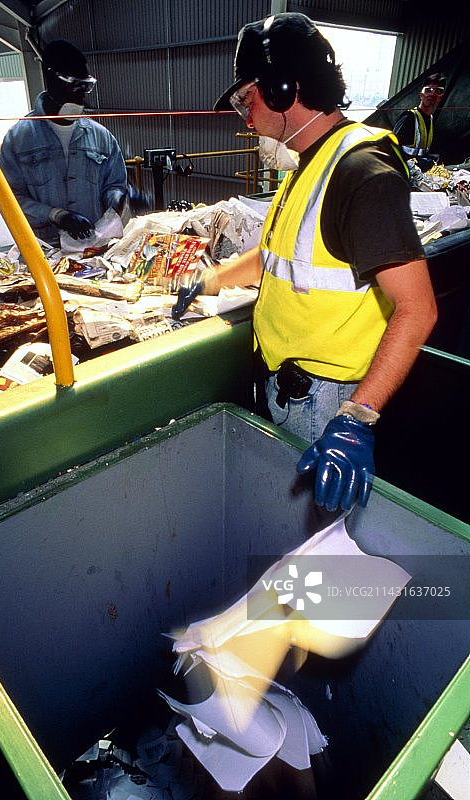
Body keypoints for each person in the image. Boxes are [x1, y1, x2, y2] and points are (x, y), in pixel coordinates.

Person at [173, 13, 437, 513]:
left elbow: (417, 309)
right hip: (289, 386)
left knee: (316, 539)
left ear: (282, 89)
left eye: (247, 101)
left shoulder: (361, 173)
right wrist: (208, 280)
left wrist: (356, 418)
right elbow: (276, 257)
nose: (245, 119)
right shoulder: (309, 164)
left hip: (327, 405)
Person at [0, 39, 127, 245]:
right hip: (43, 249)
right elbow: (10, 199)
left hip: (93, 245)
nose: (81, 95)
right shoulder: (18, 140)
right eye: (74, 85)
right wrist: (57, 216)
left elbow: (114, 184)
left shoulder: (101, 137)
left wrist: (118, 198)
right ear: (51, 79)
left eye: (85, 87)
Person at [393, 72, 446, 170]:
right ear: (421, 95)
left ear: (441, 97)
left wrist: (429, 157)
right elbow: (391, 149)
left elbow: (419, 152)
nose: (432, 93)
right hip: (403, 171)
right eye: (428, 90)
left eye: (438, 91)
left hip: (418, 174)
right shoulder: (409, 118)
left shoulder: (430, 119)